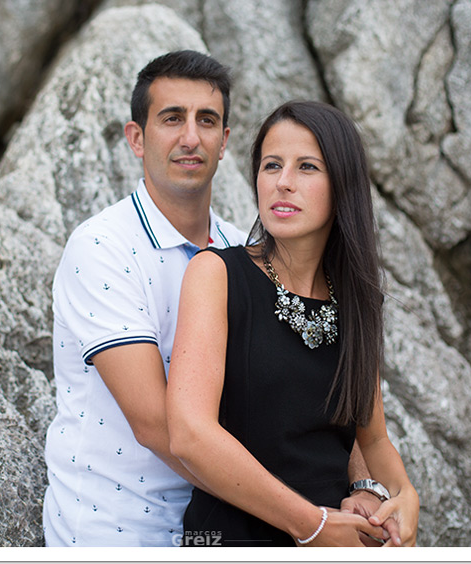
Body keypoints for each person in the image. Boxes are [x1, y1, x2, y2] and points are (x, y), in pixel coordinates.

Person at [42, 51, 388, 547]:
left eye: (207, 121)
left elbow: (316, 391)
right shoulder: (102, 248)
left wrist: (361, 486)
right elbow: (161, 426)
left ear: (225, 142)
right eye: (171, 118)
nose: (190, 137)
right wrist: (305, 517)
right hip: (119, 529)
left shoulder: (244, 257)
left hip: (232, 522)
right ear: (136, 138)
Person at [166, 100, 420, 547]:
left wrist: (402, 494)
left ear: (342, 185)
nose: (283, 183)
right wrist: (311, 525)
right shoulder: (217, 275)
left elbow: (374, 439)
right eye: (271, 166)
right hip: (233, 537)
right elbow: (190, 434)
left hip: (338, 541)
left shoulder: (359, 301)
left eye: (307, 167)